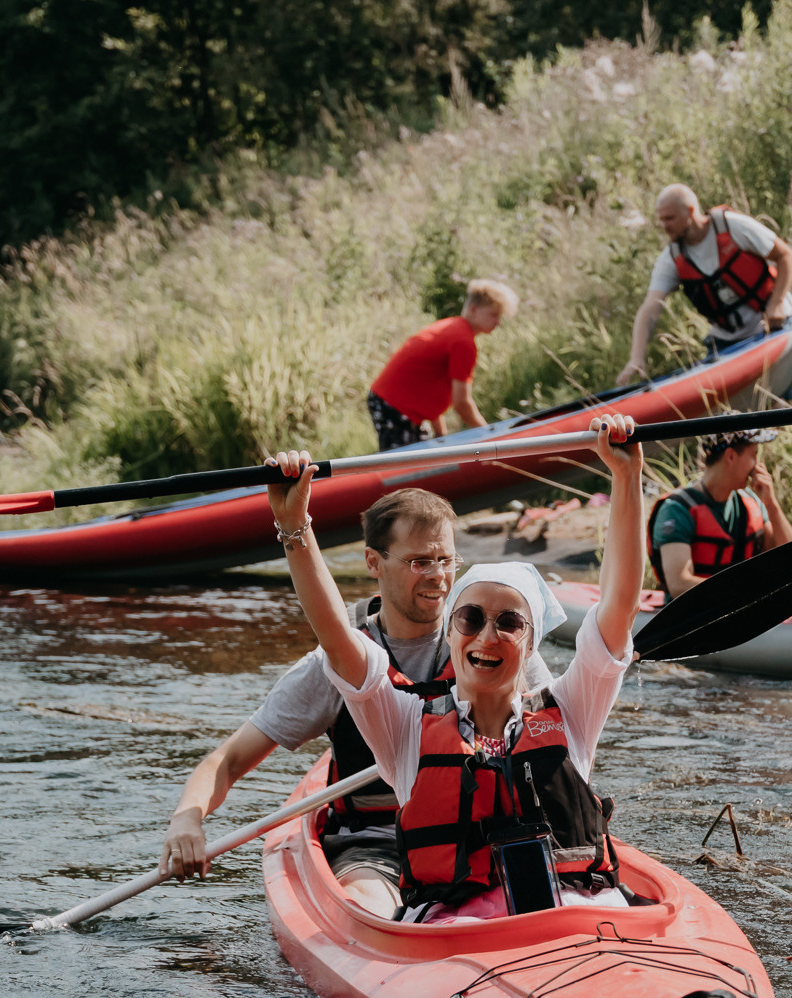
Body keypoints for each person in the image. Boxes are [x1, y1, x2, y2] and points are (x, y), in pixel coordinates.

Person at [264, 413, 646, 924]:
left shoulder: (571, 711)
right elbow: (338, 639)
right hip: (461, 936)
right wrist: (295, 528)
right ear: (450, 632)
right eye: (470, 617)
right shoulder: (405, 731)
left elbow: (618, 607)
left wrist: (625, 480)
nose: (486, 635)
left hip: (579, 918)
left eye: (508, 622)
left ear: (529, 641)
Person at [156, 487, 551, 917]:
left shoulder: (492, 645)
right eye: (420, 561)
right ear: (373, 563)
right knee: (373, 910)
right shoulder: (338, 663)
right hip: (376, 841)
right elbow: (228, 761)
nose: (438, 576)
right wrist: (186, 820)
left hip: (485, 834)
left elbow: (554, 743)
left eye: (445, 560)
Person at [618, 184, 792, 386]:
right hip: (726, 342)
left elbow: (786, 255)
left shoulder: (733, 226)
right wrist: (636, 358)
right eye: (661, 219)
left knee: (776, 402)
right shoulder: (671, 260)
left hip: (771, 327)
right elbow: (650, 308)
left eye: (669, 218)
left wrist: (778, 302)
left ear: (690, 211)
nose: (664, 226)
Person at [647, 426, 792, 600]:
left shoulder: (751, 501)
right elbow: (679, 585)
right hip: (694, 621)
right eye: (754, 454)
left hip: (741, 615)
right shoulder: (676, 510)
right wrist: (746, 592)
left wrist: (771, 504)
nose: (758, 466)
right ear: (731, 456)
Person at [368, 279, 519, 450]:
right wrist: (490, 438)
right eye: (493, 315)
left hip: (396, 405)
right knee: (404, 467)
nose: (498, 322)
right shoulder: (462, 342)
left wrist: (441, 436)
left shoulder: (455, 328)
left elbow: (432, 385)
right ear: (474, 310)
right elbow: (462, 403)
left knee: (426, 457)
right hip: (393, 406)